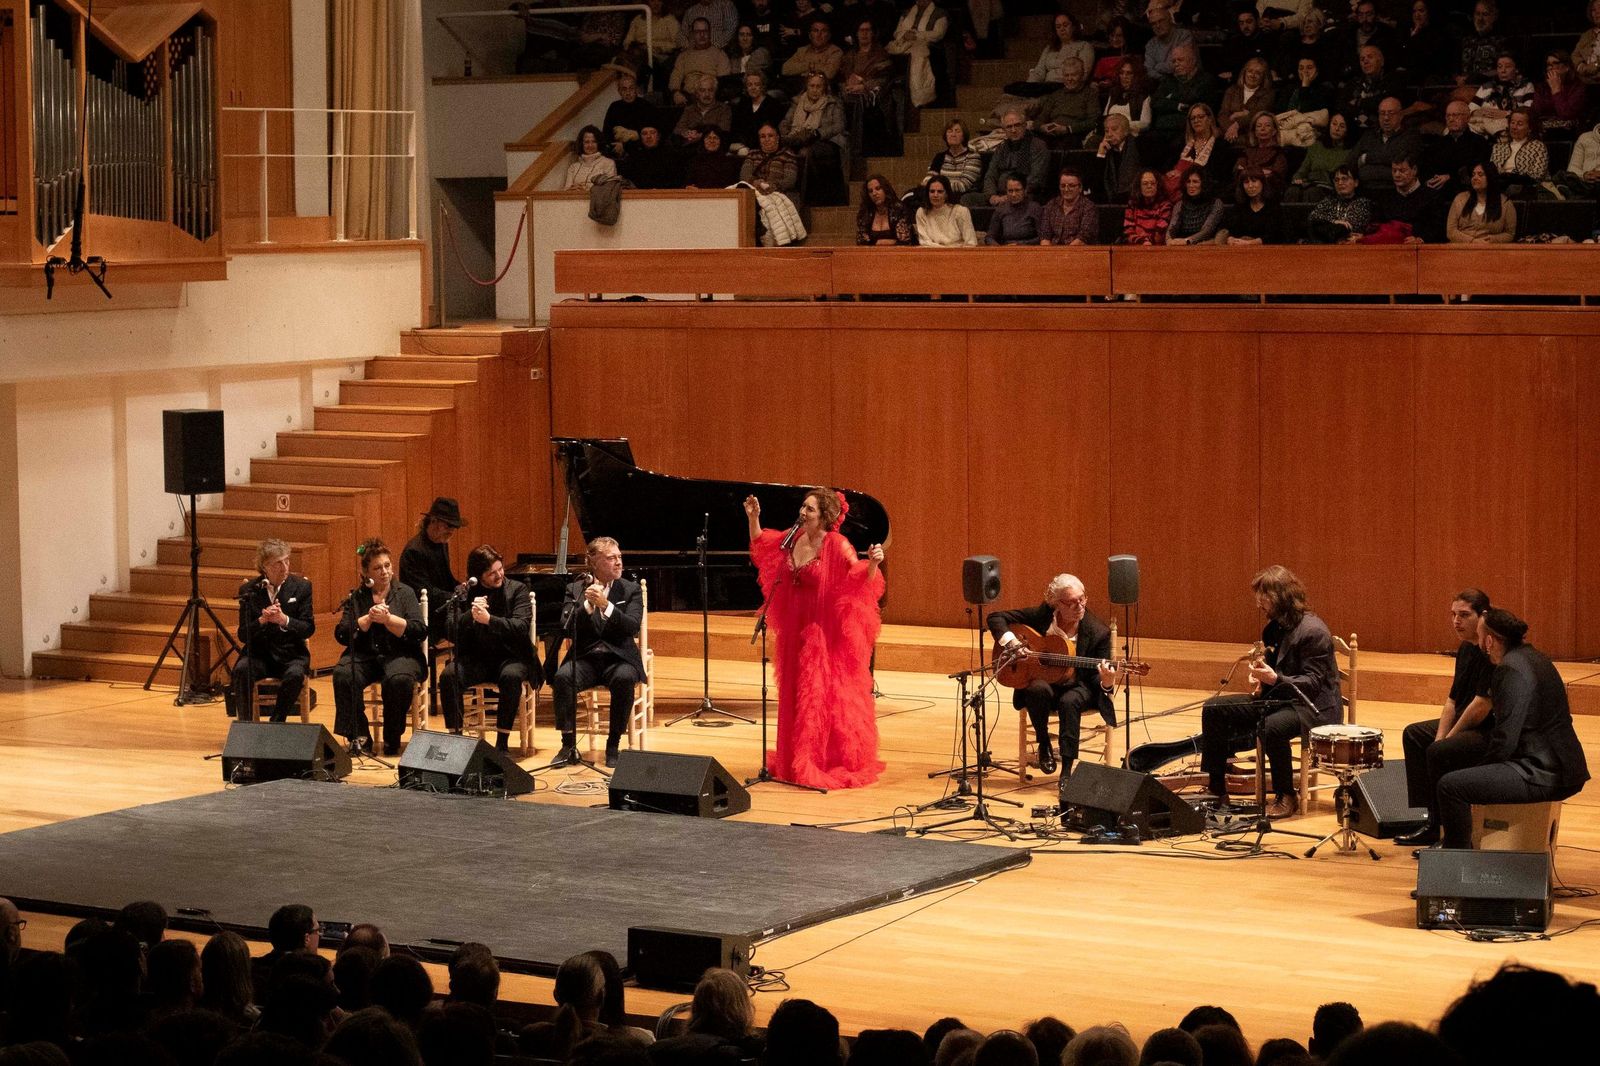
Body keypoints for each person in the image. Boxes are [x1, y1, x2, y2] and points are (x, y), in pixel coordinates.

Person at [743, 489, 885, 789]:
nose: (803, 512)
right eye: (803, 507)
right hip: (794, 629)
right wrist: (754, 517)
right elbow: (762, 544)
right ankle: (793, 758)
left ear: (824, 516)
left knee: (817, 693)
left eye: (809, 509)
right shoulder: (794, 537)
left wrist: (873, 563)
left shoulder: (837, 544)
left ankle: (817, 760)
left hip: (822, 632)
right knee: (795, 689)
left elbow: (858, 577)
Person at [1436, 608, 1590, 849]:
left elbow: (1505, 737)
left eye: (1480, 638)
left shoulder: (1509, 669)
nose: (1479, 644)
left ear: (1489, 641)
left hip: (1542, 770)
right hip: (1561, 763)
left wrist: (1480, 773)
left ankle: (1456, 860)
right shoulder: (1535, 657)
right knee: (1462, 771)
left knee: (1451, 786)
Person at [1199, 565, 1341, 817]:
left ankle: (1286, 795)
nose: (1258, 603)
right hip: (1280, 699)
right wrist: (1261, 678)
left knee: (1271, 727)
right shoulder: (1275, 627)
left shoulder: (1314, 632)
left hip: (1312, 707)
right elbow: (1274, 668)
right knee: (1214, 708)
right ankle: (1217, 789)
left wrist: (1274, 678)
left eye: (1264, 597)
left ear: (1282, 597)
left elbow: (1312, 683)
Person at [986, 574, 1116, 777]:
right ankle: (1044, 742)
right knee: (1036, 688)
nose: (1079, 606)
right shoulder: (1042, 616)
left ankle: (1066, 771)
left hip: (1078, 687)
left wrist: (1106, 682)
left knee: (1069, 702)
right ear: (1056, 603)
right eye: (1071, 602)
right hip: (1045, 685)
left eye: (1082, 599)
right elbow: (995, 618)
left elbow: (1094, 678)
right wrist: (1013, 644)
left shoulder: (1098, 632)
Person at [1395, 590, 1494, 847]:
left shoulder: (1490, 650)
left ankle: (1452, 835)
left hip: (1486, 728)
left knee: (1442, 751)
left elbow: (1480, 706)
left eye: (1464, 615)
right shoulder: (1465, 648)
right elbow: (1452, 700)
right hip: (1465, 719)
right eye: (1453, 614)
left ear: (1483, 616)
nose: (1456, 621)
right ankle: (1431, 821)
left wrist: (1448, 738)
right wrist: (1440, 736)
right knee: (1415, 735)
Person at [550, 537, 642, 768]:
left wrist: (605, 605)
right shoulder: (575, 589)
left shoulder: (630, 590)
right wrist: (588, 606)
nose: (618, 562)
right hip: (587, 658)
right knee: (563, 677)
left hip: (619, 658)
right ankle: (568, 745)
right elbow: (566, 627)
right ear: (594, 563)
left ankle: (613, 745)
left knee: (624, 679)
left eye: (619, 557)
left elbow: (632, 626)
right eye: (611, 558)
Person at [334, 538, 426, 756]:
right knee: (343, 674)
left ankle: (392, 738)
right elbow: (341, 633)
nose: (385, 572)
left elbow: (419, 630)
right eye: (377, 568)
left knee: (399, 679)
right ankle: (360, 737)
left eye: (387, 565)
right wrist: (366, 620)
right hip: (366, 656)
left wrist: (389, 620)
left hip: (400, 654)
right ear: (366, 573)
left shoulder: (405, 592)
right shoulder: (357, 597)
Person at [440, 545, 537, 752]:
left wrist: (489, 620)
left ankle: (502, 743)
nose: (499, 575)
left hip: (512, 656)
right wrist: (470, 614)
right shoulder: (463, 592)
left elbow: (521, 627)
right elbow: (449, 630)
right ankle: (455, 740)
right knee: (449, 676)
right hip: (477, 658)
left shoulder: (517, 589)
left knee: (511, 676)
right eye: (492, 573)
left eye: (500, 569)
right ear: (478, 576)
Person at [230, 538, 314, 723]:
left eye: (287, 561)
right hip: (260, 655)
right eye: (278, 563)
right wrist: (262, 620)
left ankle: (276, 722)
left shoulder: (302, 587)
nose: (285, 568)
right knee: (242, 670)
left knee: (295, 675)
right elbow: (243, 635)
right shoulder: (249, 590)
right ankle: (246, 725)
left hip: (291, 654)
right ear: (265, 566)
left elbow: (308, 628)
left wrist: (284, 620)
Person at [400, 496, 464, 641]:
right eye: (448, 526)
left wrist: (461, 587)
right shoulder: (414, 551)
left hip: (439, 608)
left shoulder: (442, 543)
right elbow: (422, 591)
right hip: (425, 616)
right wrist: (454, 597)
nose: (451, 531)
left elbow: (446, 579)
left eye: (454, 527)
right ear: (434, 521)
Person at [780, 73, 847, 204]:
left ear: (824, 88)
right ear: (807, 87)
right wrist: (786, 134)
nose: (815, 89)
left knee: (808, 153)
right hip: (798, 139)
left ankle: (810, 198)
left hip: (825, 140)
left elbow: (839, 126)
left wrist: (818, 133)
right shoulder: (797, 102)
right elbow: (785, 122)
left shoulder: (832, 103)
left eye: (818, 86)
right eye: (812, 86)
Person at [964, 109, 1048, 207]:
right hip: (998, 195)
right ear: (1004, 130)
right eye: (1009, 127)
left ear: (1025, 126)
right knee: (967, 199)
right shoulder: (1001, 148)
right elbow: (990, 175)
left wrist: (1011, 195)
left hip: (1024, 193)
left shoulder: (1038, 146)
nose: (1013, 130)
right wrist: (991, 196)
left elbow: (1036, 179)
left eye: (1017, 125)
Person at [1352, 96, 1420, 193]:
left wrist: (1366, 158)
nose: (1386, 118)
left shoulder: (1410, 135)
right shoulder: (1369, 135)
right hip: (1364, 190)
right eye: (1382, 113)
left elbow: (1397, 159)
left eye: (1391, 113)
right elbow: (1352, 160)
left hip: (1396, 191)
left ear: (1400, 115)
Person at [1423, 100, 1488, 197]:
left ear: (1467, 118)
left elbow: (1476, 170)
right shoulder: (1437, 144)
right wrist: (1429, 179)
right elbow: (1426, 166)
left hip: (1465, 190)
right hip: (1436, 190)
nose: (1451, 119)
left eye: (1456, 115)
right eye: (1448, 116)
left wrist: (1449, 177)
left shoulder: (1479, 142)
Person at [1373, 154, 1444, 243]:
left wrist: (1421, 239)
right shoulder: (1385, 198)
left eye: (1402, 170)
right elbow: (1376, 227)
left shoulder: (1432, 196)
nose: (1397, 175)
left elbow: (1439, 228)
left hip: (1421, 248)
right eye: (1394, 170)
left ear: (1414, 170)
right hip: (1390, 246)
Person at [912, 118, 983, 205]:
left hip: (959, 197)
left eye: (957, 131)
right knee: (911, 195)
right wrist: (930, 184)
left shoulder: (973, 156)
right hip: (938, 194)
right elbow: (929, 178)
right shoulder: (940, 156)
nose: (953, 134)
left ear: (964, 136)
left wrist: (938, 187)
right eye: (949, 131)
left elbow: (963, 185)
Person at [1286, 111, 1352, 203]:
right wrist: (1297, 178)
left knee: (1312, 192)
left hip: (1330, 187)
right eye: (1334, 124)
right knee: (1292, 191)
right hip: (1310, 183)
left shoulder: (1349, 152)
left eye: (1342, 126)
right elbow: (1303, 170)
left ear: (1347, 130)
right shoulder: (1317, 146)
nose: (1336, 129)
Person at [1034, 58, 1100, 146]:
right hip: (1051, 135)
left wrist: (1068, 129)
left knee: (1066, 142)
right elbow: (1040, 119)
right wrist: (1042, 127)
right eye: (1066, 75)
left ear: (1082, 75)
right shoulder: (1056, 95)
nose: (1069, 79)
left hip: (1074, 135)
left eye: (1074, 75)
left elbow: (1094, 121)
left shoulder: (1090, 94)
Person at [1446, 161, 1516, 243]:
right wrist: (1472, 241)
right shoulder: (1460, 199)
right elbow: (1451, 231)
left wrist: (1492, 239)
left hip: (1489, 247)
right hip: (1460, 247)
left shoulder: (1505, 203)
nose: (1475, 178)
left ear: (1490, 177)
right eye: (1473, 175)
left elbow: (1510, 234)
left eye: (1480, 174)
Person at [669, 19, 733, 104]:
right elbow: (675, 77)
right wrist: (676, 93)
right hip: (687, 98)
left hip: (710, 97)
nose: (702, 35)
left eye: (705, 31)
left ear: (710, 33)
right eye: (698, 32)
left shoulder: (720, 55)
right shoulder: (684, 56)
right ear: (692, 34)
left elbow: (723, 82)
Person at [1468, 53, 1532, 137]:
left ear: (1516, 69)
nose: (1503, 71)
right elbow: (1470, 108)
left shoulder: (1526, 86)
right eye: (1500, 67)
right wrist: (1479, 112)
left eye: (1507, 67)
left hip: (1509, 123)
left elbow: (1528, 111)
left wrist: (1507, 114)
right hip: (1483, 123)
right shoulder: (1487, 86)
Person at [1275, 56, 1332, 149]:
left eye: (1309, 68)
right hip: (1285, 129)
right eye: (1301, 68)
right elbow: (1279, 111)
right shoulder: (1289, 88)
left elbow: (1306, 113)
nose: (1305, 71)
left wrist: (1305, 86)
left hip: (1308, 133)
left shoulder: (1324, 90)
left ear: (1317, 71)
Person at [1217, 167, 1286, 243]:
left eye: (1254, 181)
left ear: (1262, 183)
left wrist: (1252, 242)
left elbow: (1275, 236)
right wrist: (1230, 238)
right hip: (1240, 247)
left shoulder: (1273, 207)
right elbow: (1230, 230)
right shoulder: (1239, 207)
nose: (1250, 186)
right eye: (1246, 182)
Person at [1489, 109, 1550, 192]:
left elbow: (1537, 175)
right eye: (1512, 123)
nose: (1514, 127)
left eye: (1519, 124)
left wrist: (1512, 176)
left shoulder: (1538, 146)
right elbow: (1491, 171)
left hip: (1527, 188)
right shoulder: (1499, 147)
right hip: (1500, 186)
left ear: (1530, 128)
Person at [1219, 57, 1274, 144]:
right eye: (1250, 71)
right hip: (1229, 136)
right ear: (1244, 72)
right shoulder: (1232, 90)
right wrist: (1230, 129)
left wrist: (1237, 123)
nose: (1252, 75)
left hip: (1253, 137)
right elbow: (1223, 115)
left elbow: (1257, 114)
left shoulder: (1268, 94)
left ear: (1264, 77)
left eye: (1258, 73)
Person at [601, 70, 656, 158]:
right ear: (619, 91)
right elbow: (606, 132)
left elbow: (651, 135)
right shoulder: (614, 107)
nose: (628, 92)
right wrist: (615, 145)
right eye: (624, 89)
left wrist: (626, 146)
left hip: (642, 150)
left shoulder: (646, 106)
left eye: (631, 88)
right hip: (618, 151)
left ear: (636, 90)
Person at [728, 71, 787, 153]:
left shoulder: (773, 105)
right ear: (746, 88)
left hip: (765, 146)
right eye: (750, 85)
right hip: (743, 146)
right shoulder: (743, 103)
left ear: (762, 86)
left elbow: (771, 132)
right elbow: (736, 128)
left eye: (757, 84)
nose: (753, 87)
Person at [1531, 50, 1586, 133]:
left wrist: (1556, 90)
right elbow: (1536, 112)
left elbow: (1566, 114)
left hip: (1569, 132)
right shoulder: (1542, 87)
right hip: (1544, 131)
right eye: (1548, 64)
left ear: (1567, 67)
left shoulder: (1577, 87)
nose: (1550, 67)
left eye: (1555, 63)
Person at [1039, 167, 1098, 245]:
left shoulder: (1088, 207)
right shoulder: (1051, 205)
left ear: (1080, 188)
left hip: (1078, 250)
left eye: (1071, 185)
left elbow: (1083, 237)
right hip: (1053, 250)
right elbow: (1044, 235)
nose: (1066, 189)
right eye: (1063, 186)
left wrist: (1066, 252)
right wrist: (1048, 251)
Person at [1455, 0, 1506, 87]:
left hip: (1489, 88)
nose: (1480, 18)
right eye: (1477, 14)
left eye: (1485, 14)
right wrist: (1457, 78)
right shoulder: (1466, 40)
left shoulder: (1501, 41)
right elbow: (1454, 68)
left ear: (1494, 17)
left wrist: (1479, 77)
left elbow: (1504, 70)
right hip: (1463, 88)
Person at [914, 174, 977, 245]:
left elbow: (971, 242)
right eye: (932, 191)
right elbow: (925, 242)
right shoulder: (922, 212)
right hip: (931, 251)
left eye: (940, 192)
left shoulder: (961, 211)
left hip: (958, 251)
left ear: (946, 194)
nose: (935, 195)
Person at [1166, 169, 1223, 244]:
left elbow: (1207, 231)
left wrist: (1187, 241)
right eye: (1188, 182)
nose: (1191, 185)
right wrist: (1169, 240)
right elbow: (1172, 228)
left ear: (1204, 184)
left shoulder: (1215, 203)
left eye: (1195, 182)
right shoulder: (1180, 204)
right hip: (1181, 243)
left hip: (1206, 244)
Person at [985, 174, 1044, 244]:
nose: (1013, 194)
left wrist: (1020, 245)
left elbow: (1043, 237)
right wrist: (999, 248)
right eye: (1010, 191)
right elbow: (989, 237)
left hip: (1029, 248)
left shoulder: (1034, 208)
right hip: (1006, 248)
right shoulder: (1001, 209)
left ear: (1025, 190)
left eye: (1017, 190)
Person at [781, 18, 844, 84]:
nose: (819, 35)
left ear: (829, 36)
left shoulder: (836, 51)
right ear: (810, 35)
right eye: (815, 31)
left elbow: (829, 74)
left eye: (823, 31)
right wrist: (810, 66)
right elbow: (784, 69)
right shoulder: (802, 50)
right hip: (799, 86)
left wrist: (802, 70)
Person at [1096, 113, 1142, 202]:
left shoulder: (1138, 145)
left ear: (1126, 131)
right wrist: (1101, 155)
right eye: (1106, 131)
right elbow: (1097, 183)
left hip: (1135, 197)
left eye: (1114, 129)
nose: (1109, 134)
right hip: (1112, 199)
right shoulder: (1105, 149)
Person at [675, 74, 733, 145]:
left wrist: (700, 136)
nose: (707, 94)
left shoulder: (724, 109)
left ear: (715, 92)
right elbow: (677, 130)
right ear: (696, 94)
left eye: (710, 90)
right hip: (691, 146)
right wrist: (687, 133)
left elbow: (723, 131)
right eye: (702, 90)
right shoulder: (689, 110)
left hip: (713, 146)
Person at [856, 174, 914, 245]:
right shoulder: (865, 213)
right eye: (870, 191)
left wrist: (886, 243)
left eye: (878, 188)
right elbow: (861, 242)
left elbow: (906, 241)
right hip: (872, 251)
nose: (874, 193)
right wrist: (878, 243)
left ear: (885, 190)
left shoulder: (899, 210)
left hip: (897, 251)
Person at [1100, 58, 1151, 138]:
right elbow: (1105, 117)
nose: (1124, 76)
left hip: (1131, 135)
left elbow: (1146, 123)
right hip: (1110, 134)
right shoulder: (1114, 93)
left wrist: (1121, 125)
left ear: (1136, 75)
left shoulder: (1143, 96)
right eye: (1121, 73)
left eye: (1129, 73)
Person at [1143, 1, 1194, 80]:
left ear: (1170, 20)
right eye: (1153, 24)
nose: (1158, 26)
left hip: (1186, 81)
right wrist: (1167, 80)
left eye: (1161, 21)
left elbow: (1180, 65)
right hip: (1162, 83)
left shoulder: (1184, 36)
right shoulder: (1151, 44)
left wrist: (1157, 66)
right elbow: (1149, 71)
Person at [1123, 168, 1171, 244]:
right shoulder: (1132, 204)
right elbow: (1128, 231)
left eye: (1153, 183)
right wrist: (1141, 241)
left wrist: (1147, 242)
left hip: (1156, 246)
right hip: (1135, 245)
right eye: (1145, 183)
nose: (1149, 186)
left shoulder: (1165, 205)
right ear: (1139, 186)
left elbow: (1160, 233)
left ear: (1157, 185)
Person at [565, 125, 618, 190]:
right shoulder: (573, 167)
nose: (590, 145)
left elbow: (610, 189)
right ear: (581, 144)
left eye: (594, 141)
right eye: (587, 142)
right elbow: (566, 191)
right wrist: (573, 189)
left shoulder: (609, 163)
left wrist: (585, 188)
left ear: (599, 143)